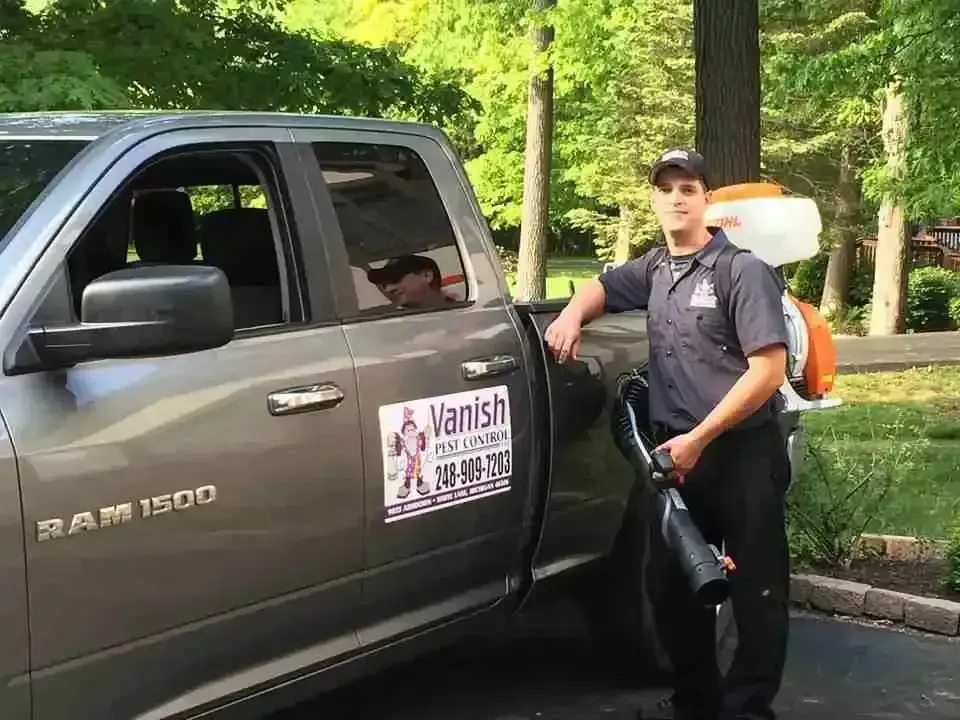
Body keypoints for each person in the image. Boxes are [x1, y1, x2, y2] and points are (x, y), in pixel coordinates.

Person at [544, 148, 791, 720]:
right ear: (653, 198)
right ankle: (695, 703)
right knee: (669, 588)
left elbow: (768, 371)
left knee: (756, 593)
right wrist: (571, 315)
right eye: (666, 189)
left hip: (740, 451)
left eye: (689, 189)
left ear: (708, 200)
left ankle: (749, 711)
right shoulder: (655, 268)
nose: (677, 199)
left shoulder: (740, 271)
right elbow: (601, 286)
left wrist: (699, 438)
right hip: (674, 460)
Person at [367, 254, 456, 309]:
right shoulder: (396, 327)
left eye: (395, 278)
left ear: (426, 276)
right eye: (384, 285)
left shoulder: (465, 317)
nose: (388, 289)